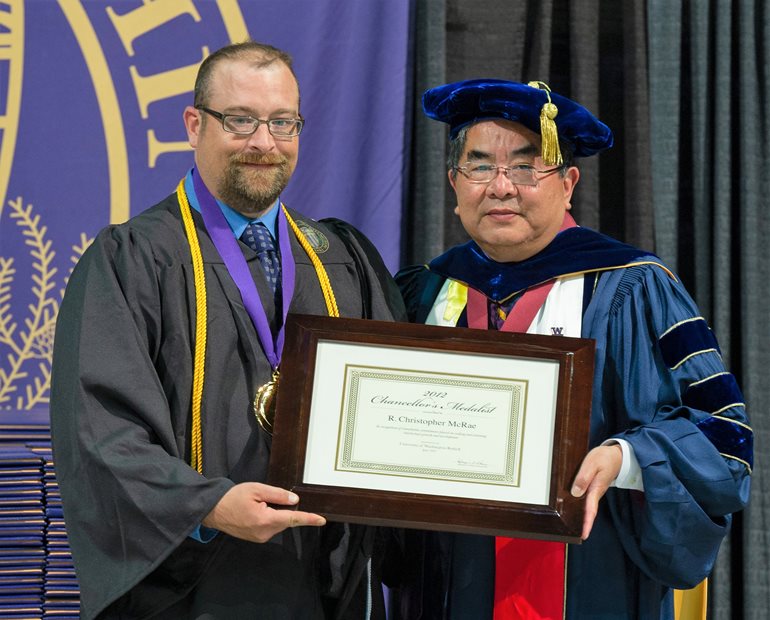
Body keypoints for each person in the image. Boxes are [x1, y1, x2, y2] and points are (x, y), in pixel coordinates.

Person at [50, 41, 405, 619]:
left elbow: (400, 403)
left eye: (282, 122)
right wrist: (208, 506)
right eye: (240, 120)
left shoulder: (340, 256)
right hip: (191, 589)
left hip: (315, 580)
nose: (264, 142)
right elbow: (102, 432)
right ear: (195, 124)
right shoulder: (134, 259)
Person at [390, 79, 752, 619]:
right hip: (444, 585)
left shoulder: (633, 290)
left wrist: (627, 458)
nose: (501, 186)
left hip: (589, 583)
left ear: (568, 182)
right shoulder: (421, 293)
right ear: (453, 182)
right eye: (480, 165)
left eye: (526, 167)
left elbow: (726, 438)